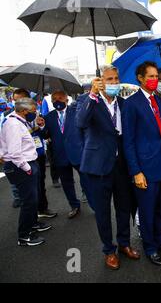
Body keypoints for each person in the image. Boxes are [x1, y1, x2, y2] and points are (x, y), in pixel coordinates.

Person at [77, 65, 140, 270]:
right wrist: (92, 95)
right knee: (103, 212)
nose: (114, 82)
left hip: (121, 166)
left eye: (116, 78)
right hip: (98, 167)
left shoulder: (123, 103)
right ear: (100, 81)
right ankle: (108, 250)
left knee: (124, 207)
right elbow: (80, 122)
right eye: (109, 79)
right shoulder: (88, 101)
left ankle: (124, 244)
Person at [122, 61, 161, 266]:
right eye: (152, 76)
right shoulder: (131, 104)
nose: (156, 80)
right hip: (145, 169)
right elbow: (127, 141)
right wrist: (136, 171)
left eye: (157, 77)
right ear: (140, 78)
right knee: (147, 211)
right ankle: (150, 247)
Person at [0, 98, 52, 246]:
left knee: (33, 198)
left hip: (27, 163)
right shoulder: (13, 125)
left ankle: (32, 224)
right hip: (21, 166)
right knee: (29, 201)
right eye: (32, 111)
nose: (34, 113)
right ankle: (24, 235)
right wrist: (27, 168)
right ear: (23, 111)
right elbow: (14, 152)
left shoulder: (20, 121)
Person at [43, 90, 81, 219]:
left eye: (60, 98)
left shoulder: (77, 112)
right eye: (54, 99)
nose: (57, 101)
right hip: (60, 155)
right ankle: (74, 205)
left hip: (78, 153)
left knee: (87, 180)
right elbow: (45, 135)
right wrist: (41, 126)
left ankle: (95, 205)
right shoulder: (48, 117)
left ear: (67, 100)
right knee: (66, 183)